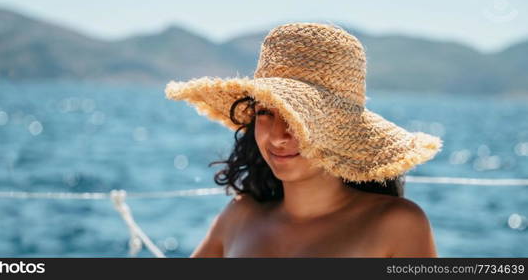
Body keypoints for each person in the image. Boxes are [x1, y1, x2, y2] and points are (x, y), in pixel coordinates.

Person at [165, 22, 443, 257]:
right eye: (265, 112)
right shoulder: (240, 215)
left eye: (298, 117)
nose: (278, 136)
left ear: (339, 129)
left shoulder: (397, 224)